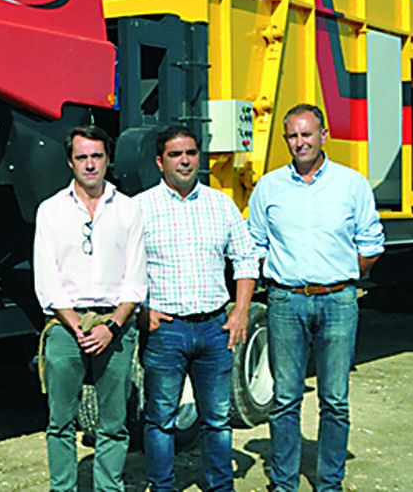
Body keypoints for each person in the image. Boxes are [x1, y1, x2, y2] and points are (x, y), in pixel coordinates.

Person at [247, 104, 384, 492]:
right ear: (285, 140)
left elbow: (372, 243)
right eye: (292, 135)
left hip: (338, 300)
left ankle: (329, 483)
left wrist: (342, 274)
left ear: (324, 135)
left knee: (335, 400)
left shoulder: (351, 184)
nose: (300, 142)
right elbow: (254, 241)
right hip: (286, 302)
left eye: (307, 134)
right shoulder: (270, 187)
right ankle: (285, 483)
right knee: (285, 398)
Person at [136, 125, 258, 492]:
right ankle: (162, 486)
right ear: (160, 162)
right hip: (166, 330)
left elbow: (246, 258)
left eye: (190, 153)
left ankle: (220, 486)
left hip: (213, 328)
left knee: (218, 419)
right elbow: (121, 266)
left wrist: (240, 311)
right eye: (175, 154)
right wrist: (142, 311)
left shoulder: (220, 204)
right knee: (160, 419)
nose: (185, 160)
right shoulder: (140, 207)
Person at [33, 124, 146, 492]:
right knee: (60, 422)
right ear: (70, 162)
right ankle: (62, 488)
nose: (90, 164)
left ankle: (108, 487)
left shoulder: (129, 209)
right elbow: (47, 280)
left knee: (113, 423)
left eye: (97, 156)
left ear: (108, 159)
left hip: (115, 322)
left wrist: (111, 327)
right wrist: (78, 326)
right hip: (67, 326)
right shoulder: (50, 211)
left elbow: (136, 278)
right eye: (82, 157)